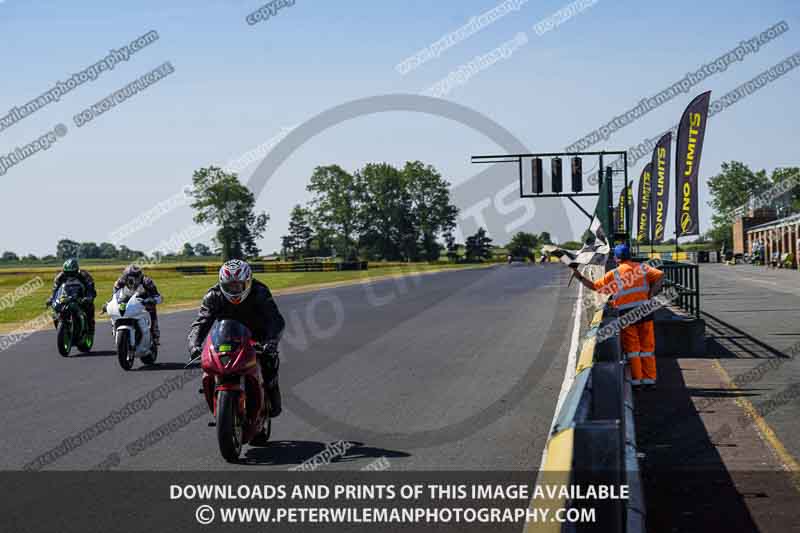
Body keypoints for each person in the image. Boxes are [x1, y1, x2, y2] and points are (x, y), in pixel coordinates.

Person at [187, 259, 285, 443]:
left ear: (248, 282)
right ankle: (222, 405)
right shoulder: (213, 295)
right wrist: (194, 345)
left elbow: (276, 320)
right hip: (227, 337)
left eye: (239, 285)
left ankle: (270, 399)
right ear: (222, 284)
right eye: (229, 286)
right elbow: (200, 323)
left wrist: (271, 341)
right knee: (208, 367)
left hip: (258, 336)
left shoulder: (260, 292)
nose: (235, 290)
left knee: (269, 364)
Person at [569, 243, 664, 389]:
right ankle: (650, 380)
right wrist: (651, 293)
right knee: (648, 347)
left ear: (617, 258)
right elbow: (660, 275)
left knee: (633, 349)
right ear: (630, 256)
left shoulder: (614, 274)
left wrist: (579, 277)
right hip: (645, 311)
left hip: (627, 314)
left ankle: (637, 381)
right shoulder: (642, 268)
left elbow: (595, 287)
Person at [112, 264, 162, 344]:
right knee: (117, 310)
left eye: (135, 277)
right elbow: (114, 295)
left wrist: (152, 300)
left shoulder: (147, 281)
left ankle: (154, 332)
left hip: (143, 302)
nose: (132, 280)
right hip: (126, 300)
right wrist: (111, 303)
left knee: (151, 309)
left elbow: (158, 296)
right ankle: (114, 328)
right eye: (129, 277)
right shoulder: (120, 281)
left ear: (140, 276)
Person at [47, 258, 97, 336]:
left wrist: (89, 297)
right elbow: (55, 290)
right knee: (55, 310)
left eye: (72, 273)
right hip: (65, 298)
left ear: (77, 270)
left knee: (89, 307)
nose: (70, 275)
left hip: (81, 297)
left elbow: (90, 288)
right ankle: (61, 327)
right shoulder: (60, 277)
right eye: (67, 273)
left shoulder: (84, 275)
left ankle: (90, 330)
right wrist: (51, 299)